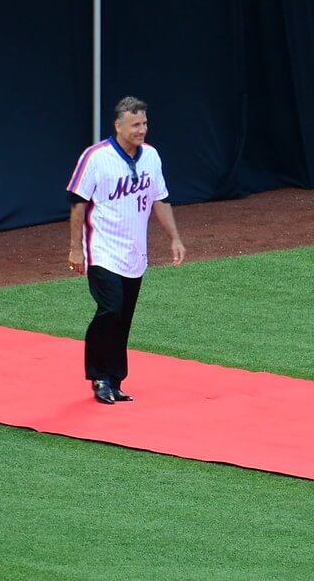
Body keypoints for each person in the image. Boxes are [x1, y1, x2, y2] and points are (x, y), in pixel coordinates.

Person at [66, 96, 185, 404]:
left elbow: (160, 199)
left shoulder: (151, 157)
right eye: (135, 124)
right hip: (102, 249)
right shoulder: (96, 157)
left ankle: (116, 378)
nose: (141, 129)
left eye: (144, 123)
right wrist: (75, 248)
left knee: (124, 317)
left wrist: (174, 237)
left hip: (135, 252)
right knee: (111, 308)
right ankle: (99, 377)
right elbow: (78, 203)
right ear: (118, 126)